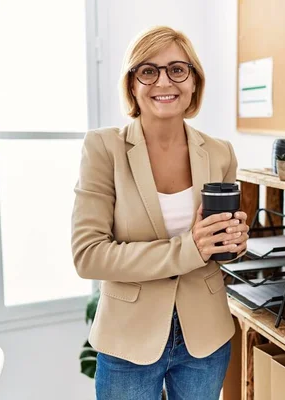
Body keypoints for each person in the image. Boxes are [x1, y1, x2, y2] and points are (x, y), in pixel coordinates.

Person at [71, 25, 249, 400]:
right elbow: (88, 255)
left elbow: (218, 248)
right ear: (132, 84)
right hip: (128, 339)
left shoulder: (220, 153)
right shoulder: (105, 148)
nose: (163, 81)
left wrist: (233, 242)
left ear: (194, 82)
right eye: (148, 70)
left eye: (177, 69)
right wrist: (190, 248)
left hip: (205, 338)